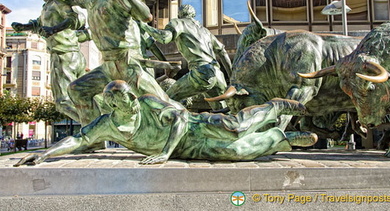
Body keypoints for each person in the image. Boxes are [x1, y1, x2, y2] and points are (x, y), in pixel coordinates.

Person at [14, 80, 317, 166]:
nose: (129, 102)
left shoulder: (147, 102)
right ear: (112, 103)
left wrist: (165, 154)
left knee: (235, 128)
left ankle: (273, 108)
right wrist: (44, 153)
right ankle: (281, 139)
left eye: (129, 97)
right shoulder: (107, 124)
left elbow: (182, 117)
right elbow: (79, 140)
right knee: (237, 152)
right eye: (121, 99)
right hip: (189, 149)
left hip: (195, 126)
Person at [31, 0, 180, 126]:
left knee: (160, 103)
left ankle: (190, 126)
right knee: (77, 89)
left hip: (127, 61)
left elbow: (146, 15)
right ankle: (95, 135)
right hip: (108, 64)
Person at [12, 0, 86, 122]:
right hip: (68, 55)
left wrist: (54, 29)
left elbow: (78, 19)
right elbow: (39, 24)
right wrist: (24, 26)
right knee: (81, 99)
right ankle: (96, 129)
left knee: (62, 101)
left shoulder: (58, 2)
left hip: (64, 55)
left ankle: (94, 127)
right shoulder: (48, 6)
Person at [140, 4, 232, 110]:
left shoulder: (179, 23)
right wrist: (231, 78)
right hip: (217, 75)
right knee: (223, 114)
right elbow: (223, 53)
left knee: (166, 100)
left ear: (179, 14)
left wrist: (144, 26)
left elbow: (164, 38)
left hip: (201, 73)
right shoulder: (204, 31)